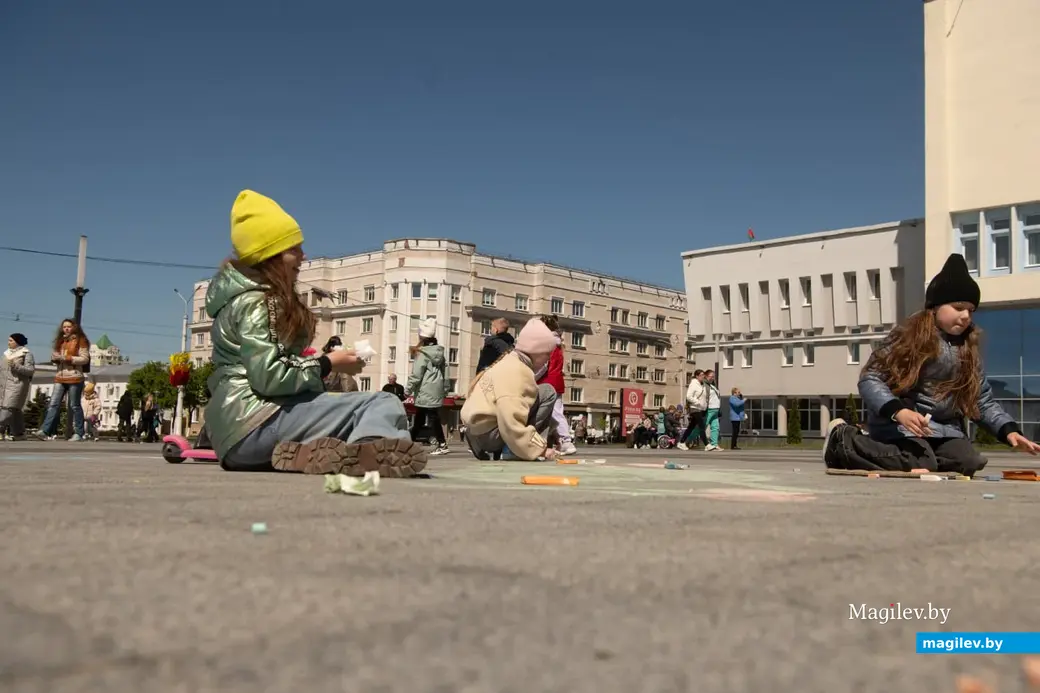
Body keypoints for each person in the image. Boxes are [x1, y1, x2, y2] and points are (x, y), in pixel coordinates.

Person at [204, 189, 426, 476]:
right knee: (382, 402)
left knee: (350, 415)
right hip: (256, 421)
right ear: (271, 255)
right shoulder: (260, 302)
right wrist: (327, 363)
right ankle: (371, 451)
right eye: (294, 248)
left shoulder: (238, 301)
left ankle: (310, 453)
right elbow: (269, 376)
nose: (303, 255)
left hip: (236, 437)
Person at [824, 254, 1040, 476]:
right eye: (958, 307)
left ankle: (923, 459)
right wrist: (898, 412)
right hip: (902, 427)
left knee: (969, 462)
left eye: (971, 310)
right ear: (935, 307)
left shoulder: (968, 350)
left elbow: (981, 401)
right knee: (919, 461)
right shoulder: (908, 338)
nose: (966, 316)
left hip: (946, 430)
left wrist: (1008, 431)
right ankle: (843, 440)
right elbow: (871, 378)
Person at [461, 317, 560, 461]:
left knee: (540, 393)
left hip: (477, 429)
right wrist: (539, 449)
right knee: (547, 392)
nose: (548, 360)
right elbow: (510, 422)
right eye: (546, 354)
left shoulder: (508, 360)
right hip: (489, 436)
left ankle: (509, 446)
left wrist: (551, 428)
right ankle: (514, 449)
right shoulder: (517, 371)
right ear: (536, 351)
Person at [37, 319, 91, 441]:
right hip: (60, 376)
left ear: (74, 327)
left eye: (69, 326)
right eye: (64, 327)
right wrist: (54, 357)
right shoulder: (60, 341)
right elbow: (56, 355)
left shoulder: (80, 340)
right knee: (53, 403)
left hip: (74, 376)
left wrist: (67, 358)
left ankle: (79, 433)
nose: (66, 329)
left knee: (74, 405)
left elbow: (84, 359)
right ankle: (44, 430)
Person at [407, 318, 449, 455]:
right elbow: (446, 372)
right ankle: (408, 443)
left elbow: (416, 374)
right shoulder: (440, 353)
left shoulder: (423, 354)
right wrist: (445, 388)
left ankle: (442, 444)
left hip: (424, 390)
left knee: (430, 417)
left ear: (421, 336)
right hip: (436, 390)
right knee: (422, 418)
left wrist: (408, 390)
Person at [536, 315, 576, 455]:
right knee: (554, 412)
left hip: (547, 382)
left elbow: (543, 366)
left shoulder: (547, 344)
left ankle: (565, 441)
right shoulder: (558, 344)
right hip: (556, 380)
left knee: (552, 412)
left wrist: (532, 378)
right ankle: (559, 441)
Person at [0, 333, 35, 440]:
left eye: (11, 340)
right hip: (3, 386)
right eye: (8, 340)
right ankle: (19, 434)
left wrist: (16, 366)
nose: (8, 342)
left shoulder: (26, 354)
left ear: (18, 342)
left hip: (16, 385)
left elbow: (30, 371)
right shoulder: (6, 354)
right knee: (15, 410)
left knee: (8, 408)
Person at [677, 370, 709, 450]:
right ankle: (707, 445)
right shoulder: (693, 384)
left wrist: (704, 405)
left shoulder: (702, 384)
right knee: (701, 426)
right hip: (695, 408)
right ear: (697, 376)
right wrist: (697, 402)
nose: (703, 376)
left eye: (703, 375)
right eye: (701, 375)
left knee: (691, 427)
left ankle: (681, 442)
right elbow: (688, 396)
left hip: (700, 408)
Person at [703, 370, 722, 451]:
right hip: (709, 409)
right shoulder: (704, 385)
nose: (712, 378)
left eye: (713, 377)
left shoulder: (713, 386)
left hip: (715, 409)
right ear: (706, 376)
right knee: (702, 426)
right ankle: (686, 441)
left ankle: (714, 444)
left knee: (715, 427)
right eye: (711, 376)